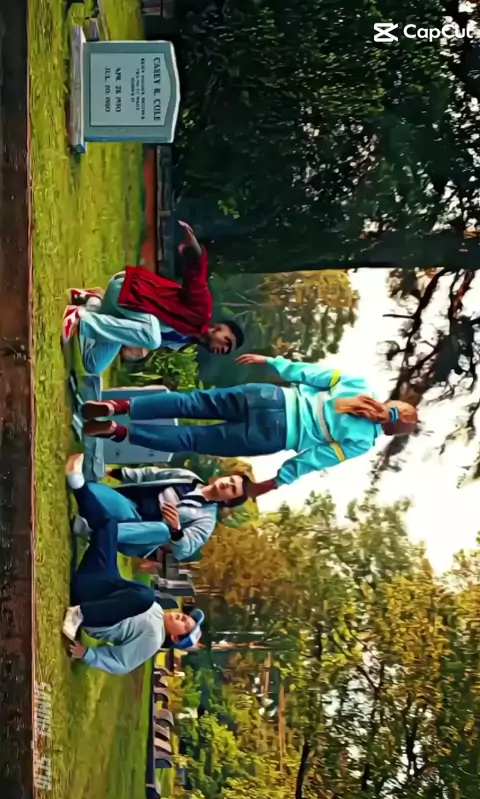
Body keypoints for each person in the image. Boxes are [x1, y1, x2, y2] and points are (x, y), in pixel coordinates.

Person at [81, 353, 419, 499]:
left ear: (393, 402)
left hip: (269, 397)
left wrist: (271, 361)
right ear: (390, 434)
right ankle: (117, 431)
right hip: (271, 435)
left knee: (190, 402)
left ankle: (118, 406)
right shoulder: (361, 443)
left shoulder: (359, 385)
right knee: (191, 438)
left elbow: (308, 373)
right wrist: (273, 483)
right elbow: (313, 460)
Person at [62, 480, 204, 675]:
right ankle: (78, 484)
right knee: (110, 527)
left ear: (175, 638)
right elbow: (119, 589)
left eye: (184, 625)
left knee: (145, 596)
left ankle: (79, 614)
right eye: (186, 617)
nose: (182, 617)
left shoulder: (153, 640)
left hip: (91, 611)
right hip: (95, 585)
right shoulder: (157, 610)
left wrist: (86, 653)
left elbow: (123, 663)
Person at [61, 222, 244, 373]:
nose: (224, 349)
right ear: (218, 327)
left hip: (124, 312)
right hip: (129, 291)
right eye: (227, 341)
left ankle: (93, 303)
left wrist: (140, 350)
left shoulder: (185, 341)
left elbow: (139, 334)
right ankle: (78, 318)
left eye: (227, 351)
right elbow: (197, 279)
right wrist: (194, 251)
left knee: (93, 364)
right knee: (152, 337)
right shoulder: (202, 312)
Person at [65, 452, 250, 560]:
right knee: (93, 490)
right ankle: (90, 527)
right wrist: (110, 471)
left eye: (232, 489)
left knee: (163, 530)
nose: (228, 484)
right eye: (231, 480)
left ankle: (97, 530)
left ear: (228, 501)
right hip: (127, 505)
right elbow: (150, 474)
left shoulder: (206, 520)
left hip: (137, 537)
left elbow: (184, 550)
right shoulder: (187, 477)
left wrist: (176, 529)